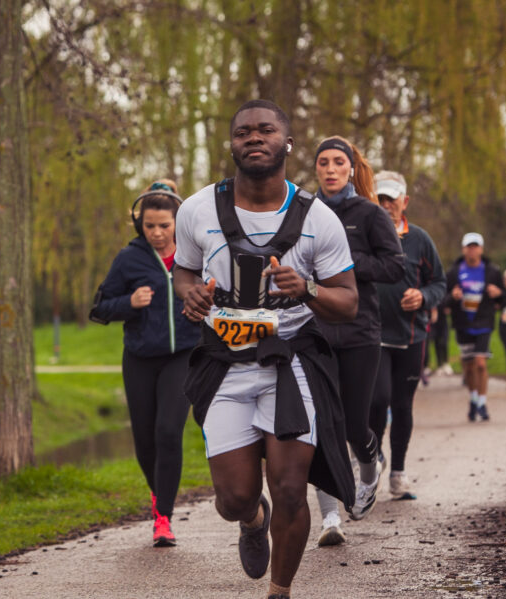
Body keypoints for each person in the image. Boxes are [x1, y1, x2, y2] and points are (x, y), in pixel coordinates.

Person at [173, 99, 357, 599]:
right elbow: (183, 269)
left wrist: (309, 290)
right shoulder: (197, 209)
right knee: (233, 498)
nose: (254, 137)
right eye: (244, 132)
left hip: (290, 362)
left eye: (266, 130)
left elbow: (347, 302)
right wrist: (188, 292)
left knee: (292, 489)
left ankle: (280, 591)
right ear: (231, 145)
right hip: (224, 365)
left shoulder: (319, 219)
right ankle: (252, 519)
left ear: (287, 142)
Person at [89, 179, 200, 547]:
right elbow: (99, 309)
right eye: (149, 225)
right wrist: (128, 303)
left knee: (169, 431)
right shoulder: (128, 258)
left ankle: (163, 517)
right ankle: (159, 498)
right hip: (139, 358)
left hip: (183, 354)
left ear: (177, 223)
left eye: (164, 226)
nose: (156, 232)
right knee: (144, 441)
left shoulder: (193, 254)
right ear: (140, 224)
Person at [311, 136, 404, 545]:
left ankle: (369, 467)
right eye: (323, 163)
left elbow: (394, 267)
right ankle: (330, 518)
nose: (330, 169)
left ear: (351, 168)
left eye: (338, 162)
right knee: (319, 425)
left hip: (360, 332)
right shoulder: (303, 212)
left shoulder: (368, 213)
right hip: (312, 332)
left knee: (352, 424)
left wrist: (346, 260)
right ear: (315, 169)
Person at [367, 171, 445, 501]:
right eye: (380, 199)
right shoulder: (364, 236)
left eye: (391, 200)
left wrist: (423, 297)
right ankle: (374, 458)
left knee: (402, 405)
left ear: (405, 202)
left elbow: (439, 284)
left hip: (411, 337)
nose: (385, 206)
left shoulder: (420, 239)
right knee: (377, 400)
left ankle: (397, 472)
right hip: (373, 335)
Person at [445, 233, 503, 422]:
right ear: (463, 249)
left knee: (480, 363)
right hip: (462, 323)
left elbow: (504, 299)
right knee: (469, 368)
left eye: (475, 246)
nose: (472, 250)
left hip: (484, 322)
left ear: (481, 249)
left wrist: (498, 294)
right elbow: (442, 299)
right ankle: (473, 399)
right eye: (469, 246)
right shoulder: (453, 272)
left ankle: (483, 403)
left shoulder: (492, 271)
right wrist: (452, 297)